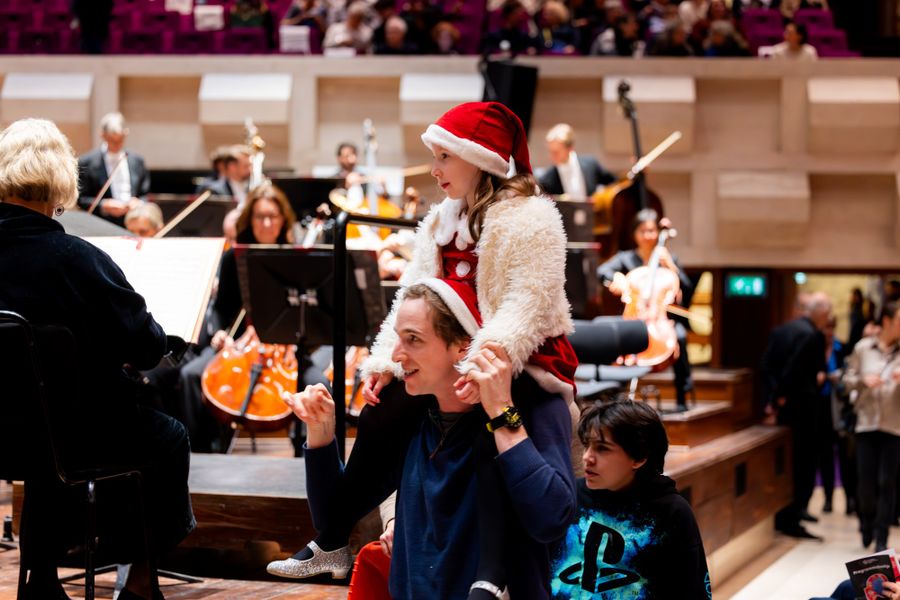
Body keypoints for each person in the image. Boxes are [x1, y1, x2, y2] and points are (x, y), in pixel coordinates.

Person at [267, 101, 579, 599]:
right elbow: (412, 297)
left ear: (480, 159)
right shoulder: (441, 219)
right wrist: (388, 360)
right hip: (451, 353)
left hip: (516, 359)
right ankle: (331, 541)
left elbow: (528, 302)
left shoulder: (531, 218)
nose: (434, 170)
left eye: (443, 157)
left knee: (488, 435)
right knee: (377, 415)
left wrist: (486, 360)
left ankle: (493, 576)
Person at [0, 118, 193, 600]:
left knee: (44, 434)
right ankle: (142, 584)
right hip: (71, 436)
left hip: (2, 434)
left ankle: (40, 581)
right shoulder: (77, 259)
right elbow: (147, 347)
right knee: (166, 437)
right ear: (63, 182)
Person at [284, 279, 576, 597]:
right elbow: (332, 519)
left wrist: (502, 412)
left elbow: (551, 518)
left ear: (465, 345)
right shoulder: (409, 411)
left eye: (414, 340)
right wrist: (321, 431)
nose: (396, 354)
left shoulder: (535, 406)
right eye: (398, 337)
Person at [177, 182, 298, 453]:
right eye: (260, 216)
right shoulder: (234, 258)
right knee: (190, 375)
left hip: (285, 346)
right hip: (240, 345)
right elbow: (221, 307)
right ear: (250, 220)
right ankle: (202, 454)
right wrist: (221, 333)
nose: (266, 223)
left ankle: (307, 457)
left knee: (318, 381)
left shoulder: (294, 256)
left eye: (273, 216)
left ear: (283, 220)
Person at [550, 400, 710, 598]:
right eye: (587, 446)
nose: (587, 457)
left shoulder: (672, 511)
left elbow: (693, 590)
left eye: (602, 448)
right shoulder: (571, 495)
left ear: (639, 457)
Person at [597, 209, 695, 409]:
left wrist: (670, 266)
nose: (648, 236)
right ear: (635, 234)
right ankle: (616, 395)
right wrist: (617, 278)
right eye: (643, 231)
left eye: (651, 231)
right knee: (619, 341)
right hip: (634, 316)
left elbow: (686, 286)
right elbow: (602, 271)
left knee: (681, 337)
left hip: (661, 319)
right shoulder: (626, 258)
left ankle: (682, 395)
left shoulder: (668, 258)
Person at [761, 292, 831, 539]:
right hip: (802, 408)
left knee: (786, 464)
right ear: (821, 314)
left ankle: (789, 513)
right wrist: (782, 395)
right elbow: (795, 369)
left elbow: (767, 365)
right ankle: (793, 516)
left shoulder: (780, 331)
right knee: (804, 464)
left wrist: (772, 400)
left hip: (786, 409)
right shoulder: (813, 335)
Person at [843, 301, 900, 552]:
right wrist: (863, 380)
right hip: (866, 424)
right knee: (865, 483)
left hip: (895, 426)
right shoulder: (863, 348)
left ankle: (881, 536)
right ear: (886, 321)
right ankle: (866, 521)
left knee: (888, 482)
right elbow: (846, 381)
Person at [77, 112, 151, 226]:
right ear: (102, 135)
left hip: (132, 223)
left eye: (120, 140)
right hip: (101, 223)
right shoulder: (86, 162)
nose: (116, 144)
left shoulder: (138, 161)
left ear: (126, 134)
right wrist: (104, 205)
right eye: (112, 140)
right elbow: (81, 199)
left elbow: (145, 195)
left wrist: (138, 203)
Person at [538, 123, 616, 199]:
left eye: (556, 152)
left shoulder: (591, 164)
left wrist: (602, 197)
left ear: (570, 148)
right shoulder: (546, 179)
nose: (551, 156)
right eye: (550, 151)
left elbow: (613, 183)